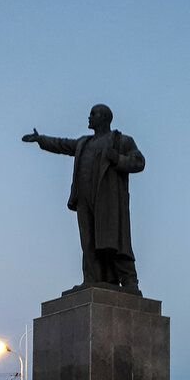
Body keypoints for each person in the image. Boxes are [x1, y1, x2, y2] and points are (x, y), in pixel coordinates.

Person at [22, 104, 145, 294]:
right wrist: (41, 139)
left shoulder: (121, 141)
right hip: (84, 200)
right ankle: (93, 279)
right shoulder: (83, 143)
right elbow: (62, 144)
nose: (89, 117)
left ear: (104, 118)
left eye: (93, 114)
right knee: (88, 242)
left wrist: (118, 159)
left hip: (108, 201)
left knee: (114, 240)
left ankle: (130, 282)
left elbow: (139, 162)